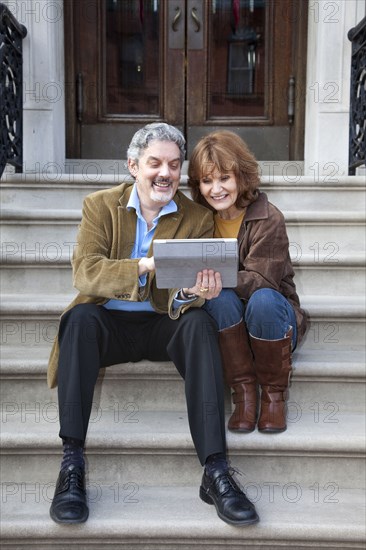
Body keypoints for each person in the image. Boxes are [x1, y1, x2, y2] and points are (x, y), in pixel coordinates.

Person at [47, 123, 259, 527]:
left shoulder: (196, 216)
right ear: (133, 165)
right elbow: (85, 271)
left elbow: (180, 296)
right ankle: (71, 465)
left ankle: (216, 471)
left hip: (164, 324)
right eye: (155, 163)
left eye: (175, 166)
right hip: (107, 323)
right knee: (77, 319)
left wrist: (194, 291)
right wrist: (143, 266)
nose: (166, 173)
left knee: (198, 323)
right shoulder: (99, 206)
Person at [188, 130, 307, 434]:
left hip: (273, 324)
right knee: (219, 297)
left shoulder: (268, 218)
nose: (216, 189)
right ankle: (243, 395)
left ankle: (273, 396)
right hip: (229, 324)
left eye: (224, 178)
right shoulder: (198, 219)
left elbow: (262, 280)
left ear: (242, 176)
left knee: (262, 299)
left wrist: (213, 278)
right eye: (206, 180)